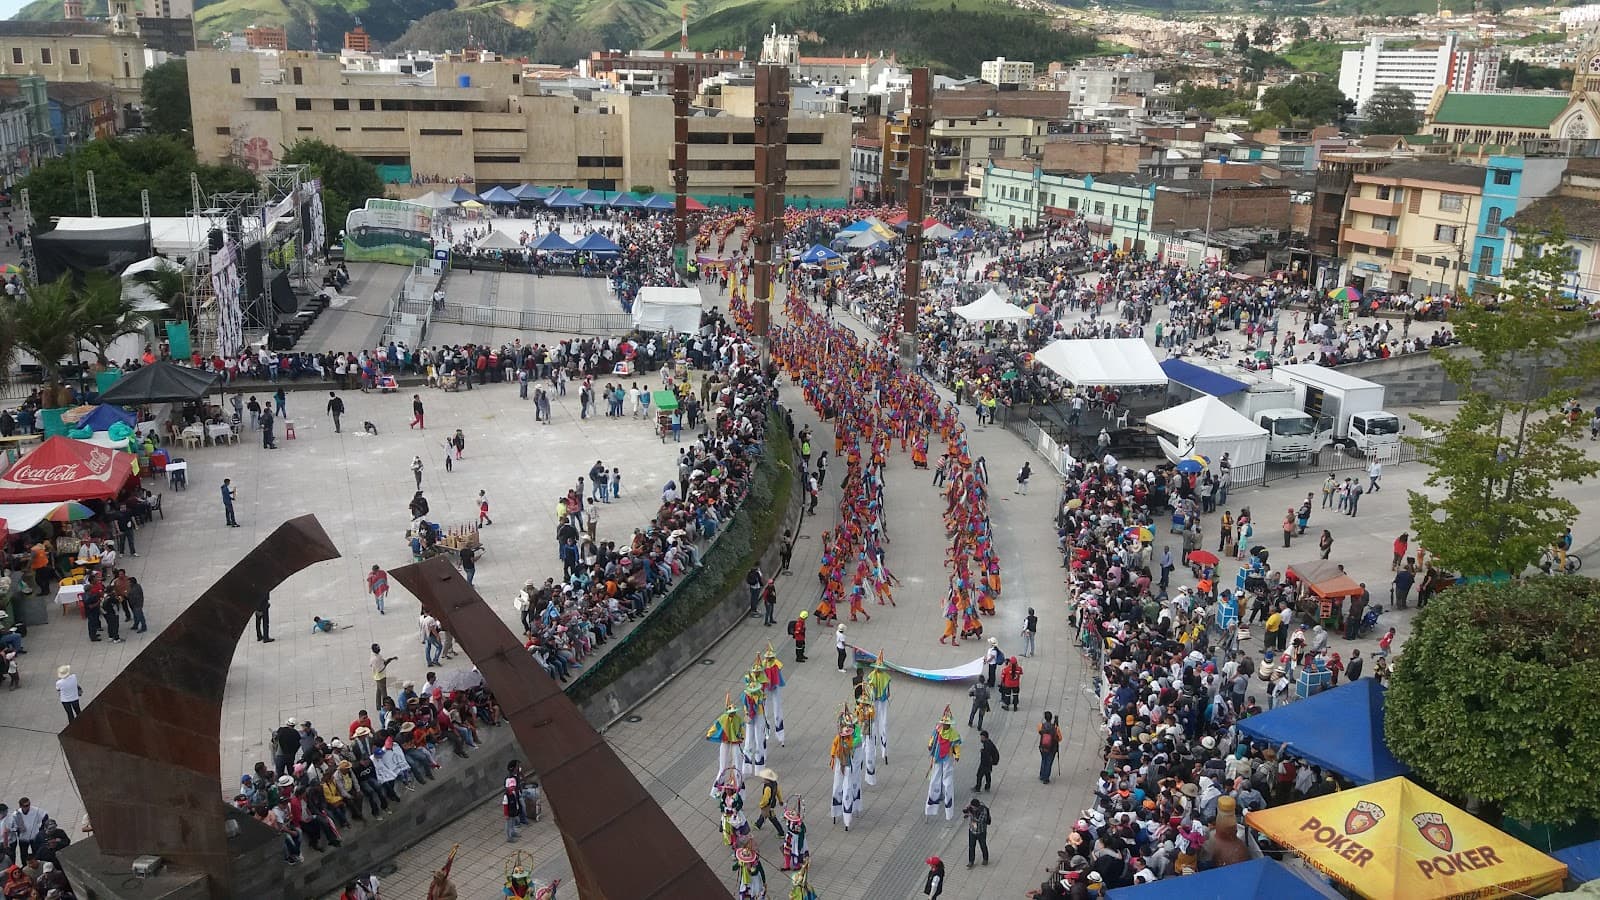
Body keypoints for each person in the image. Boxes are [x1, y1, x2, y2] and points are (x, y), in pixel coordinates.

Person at [962, 797, 991, 868]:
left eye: (973, 808)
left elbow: (980, 821)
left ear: (977, 807)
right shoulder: (972, 807)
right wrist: (967, 810)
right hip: (972, 830)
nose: (972, 809)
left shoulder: (983, 811)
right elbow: (965, 811)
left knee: (983, 845)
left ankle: (985, 859)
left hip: (981, 831)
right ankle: (971, 861)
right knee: (971, 846)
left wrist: (971, 815)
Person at [1037, 710, 1062, 784]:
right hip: (1052, 748)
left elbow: (1039, 732)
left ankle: (1042, 775)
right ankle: (1046, 778)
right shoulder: (1055, 728)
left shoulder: (1041, 726)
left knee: (1043, 760)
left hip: (1042, 746)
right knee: (1049, 762)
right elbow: (1060, 738)